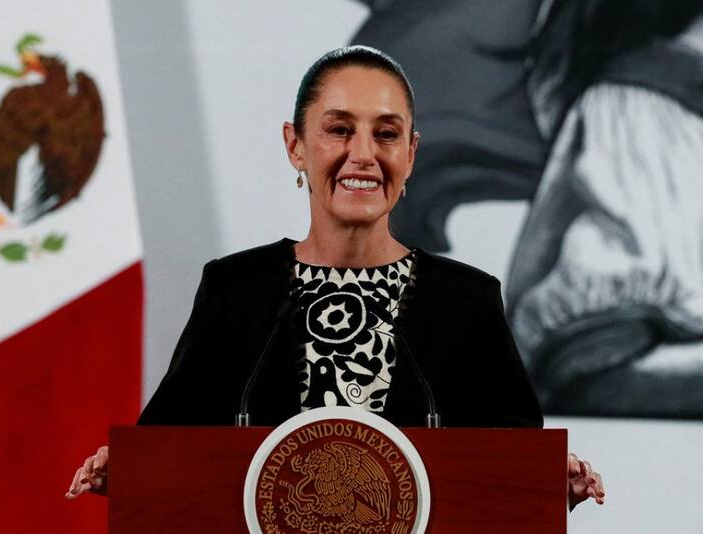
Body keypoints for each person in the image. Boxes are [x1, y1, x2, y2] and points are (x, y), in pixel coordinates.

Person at [66, 46, 605, 510]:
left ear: (411, 154)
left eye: (387, 134)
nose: (363, 155)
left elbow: (512, 473)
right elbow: (172, 452)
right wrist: (130, 473)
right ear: (295, 145)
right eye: (339, 130)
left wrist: (549, 489)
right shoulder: (236, 291)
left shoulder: (466, 301)